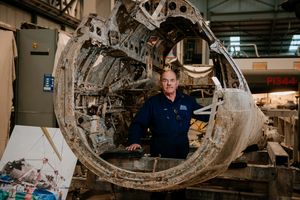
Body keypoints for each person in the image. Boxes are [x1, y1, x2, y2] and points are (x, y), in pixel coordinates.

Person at [126, 69, 209, 200]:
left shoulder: (187, 101)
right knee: (159, 190)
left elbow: (204, 115)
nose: (169, 84)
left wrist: (220, 109)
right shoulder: (153, 103)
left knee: (179, 189)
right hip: (159, 152)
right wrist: (134, 141)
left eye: (172, 80)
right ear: (161, 84)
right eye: (165, 80)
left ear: (177, 83)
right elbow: (138, 123)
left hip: (180, 152)